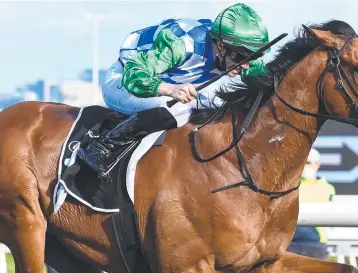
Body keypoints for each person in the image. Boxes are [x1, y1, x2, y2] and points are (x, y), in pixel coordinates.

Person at [76, 4, 271, 178]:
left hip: (159, 87)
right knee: (179, 109)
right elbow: (134, 77)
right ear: (221, 44)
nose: (246, 65)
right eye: (242, 57)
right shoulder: (180, 44)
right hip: (123, 82)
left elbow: (269, 80)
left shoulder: (236, 53)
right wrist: (171, 90)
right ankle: (101, 147)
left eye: (252, 57)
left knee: (217, 106)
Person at [260, 148, 336, 273]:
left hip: (315, 244)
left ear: (317, 165)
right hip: (289, 242)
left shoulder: (327, 188)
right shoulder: (290, 185)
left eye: (310, 163)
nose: (307, 166)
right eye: (305, 162)